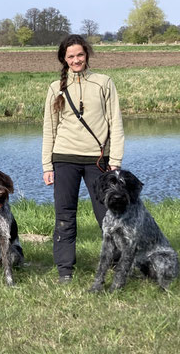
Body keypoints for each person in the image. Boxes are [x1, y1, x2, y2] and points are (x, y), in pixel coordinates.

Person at [42, 34, 124, 283]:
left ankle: (118, 262)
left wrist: (116, 159)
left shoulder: (104, 83)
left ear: (86, 55)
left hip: (98, 160)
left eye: (80, 55)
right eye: (71, 56)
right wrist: (47, 165)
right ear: (64, 60)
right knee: (65, 215)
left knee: (108, 215)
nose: (76, 60)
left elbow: (116, 124)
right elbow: (50, 128)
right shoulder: (56, 88)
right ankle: (65, 269)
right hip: (64, 158)